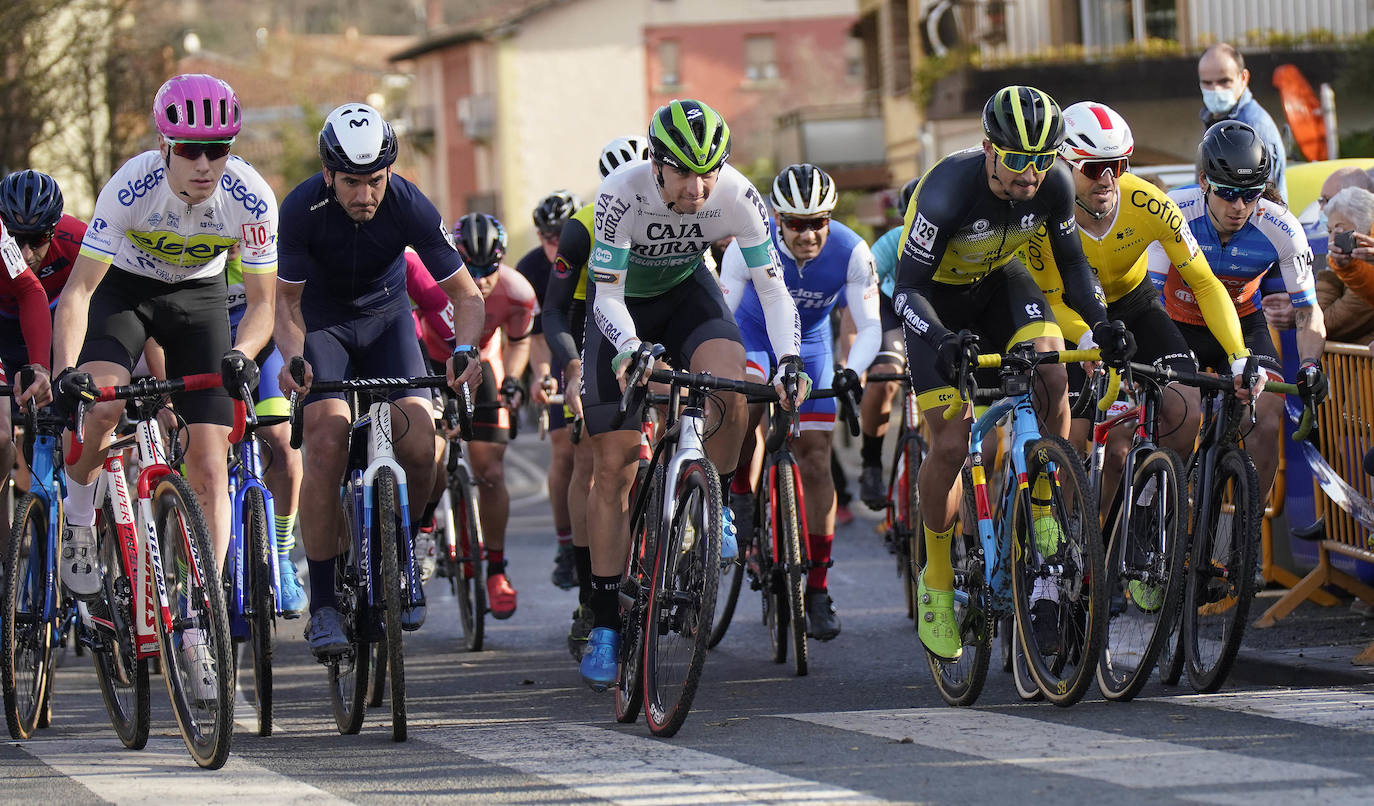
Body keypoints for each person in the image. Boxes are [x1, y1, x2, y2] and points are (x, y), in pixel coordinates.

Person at [891, 85, 1127, 661]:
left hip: (998, 286)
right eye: (1017, 159)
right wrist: (942, 340)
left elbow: (1072, 266)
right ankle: (938, 578)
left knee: (1049, 367)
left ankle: (1042, 502)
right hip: (937, 307)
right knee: (948, 443)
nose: (1029, 174)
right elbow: (907, 290)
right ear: (989, 148)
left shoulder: (1053, 184)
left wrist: (1101, 323)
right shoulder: (947, 192)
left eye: (1042, 160)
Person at [577, 99, 804, 690]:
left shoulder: (737, 195)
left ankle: (716, 499)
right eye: (682, 171)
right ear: (656, 162)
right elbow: (605, 297)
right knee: (614, 467)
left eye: (709, 170)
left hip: (686, 296)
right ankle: (604, 621)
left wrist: (789, 361)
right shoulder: (620, 193)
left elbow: (773, 291)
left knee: (732, 385)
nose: (697, 186)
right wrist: (628, 348)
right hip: (622, 312)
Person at [54, 74, 276, 603]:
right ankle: (80, 521)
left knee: (209, 457)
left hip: (199, 299)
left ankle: (205, 607)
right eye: (190, 150)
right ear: (164, 146)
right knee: (102, 409)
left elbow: (264, 304)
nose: (205, 165)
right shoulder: (131, 187)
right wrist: (66, 371)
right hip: (125, 292)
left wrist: (243, 355)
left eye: (218, 149)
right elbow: (79, 293)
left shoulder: (252, 198)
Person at [274, 102, 483, 658]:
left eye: (375, 181)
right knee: (324, 440)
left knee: (421, 442)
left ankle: (404, 548)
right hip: (323, 326)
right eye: (351, 183)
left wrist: (464, 349)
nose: (365, 195)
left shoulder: (409, 201)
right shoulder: (300, 209)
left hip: (388, 323)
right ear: (328, 174)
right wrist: (296, 360)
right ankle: (322, 604)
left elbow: (465, 294)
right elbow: (287, 304)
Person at [1026, 101, 1250, 517]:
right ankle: (1064, 538)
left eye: (1119, 164)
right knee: (1073, 439)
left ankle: (1145, 522)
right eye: (1094, 168)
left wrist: (1239, 357)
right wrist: (1089, 335)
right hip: (1070, 316)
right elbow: (1051, 300)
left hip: (1134, 305)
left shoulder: (1148, 202)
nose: (1109, 178)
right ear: (1063, 163)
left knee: (1186, 409)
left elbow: (1203, 282)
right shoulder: (1038, 215)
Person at [721, 163, 881, 641]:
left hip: (811, 347)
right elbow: (724, 314)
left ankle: (817, 587)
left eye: (818, 221)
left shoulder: (852, 250)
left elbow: (869, 324)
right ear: (776, 218)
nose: (808, 233)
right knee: (744, 409)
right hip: (751, 337)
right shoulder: (747, 243)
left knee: (815, 459)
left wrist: (854, 370)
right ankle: (742, 497)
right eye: (795, 223)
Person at [1146, 120, 1327, 510]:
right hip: (1177, 323)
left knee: (1265, 419)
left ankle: (1246, 543)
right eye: (1228, 194)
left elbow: (1308, 311)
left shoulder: (1281, 227)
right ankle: (1160, 517)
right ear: (1204, 182)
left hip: (1243, 324)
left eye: (1250, 195)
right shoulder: (1175, 211)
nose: (1239, 207)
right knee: (1182, 413)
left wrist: (1310, 363)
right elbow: (1150, 296)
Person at [541, 137, 649, 660]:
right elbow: (557, 312)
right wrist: (571, 366)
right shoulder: (583, 226)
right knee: (590, 457)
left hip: (650, 319)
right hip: (592, 327)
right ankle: (592, 594)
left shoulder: (672, 215)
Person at [443, 212, 537, 620]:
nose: (480, 281)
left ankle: (496, 568)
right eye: (470, 269)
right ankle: (428, 527)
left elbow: (518, 343)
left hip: (481, 364)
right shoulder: (430, 281)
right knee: (426, 452)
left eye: (489, 270)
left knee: (491, 472)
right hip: (429, 358)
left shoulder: (518, 292)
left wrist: (514, 380)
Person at [0, 170, 75, 531]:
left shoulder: (78, 239)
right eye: (15, 238)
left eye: (39, 238)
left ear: (56, 229)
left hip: (54, 329)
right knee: (3, 441)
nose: (26, 252)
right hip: (5, 335)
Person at [515, 190, 582, 590]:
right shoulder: (530, 268)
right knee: (563, 449)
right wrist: (543, 375)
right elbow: (536, 337)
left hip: (598, 341)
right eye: (545, 236)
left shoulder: (592, 249)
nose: (552, 244)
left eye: (560, 235)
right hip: (558, 350)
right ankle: (565, 544)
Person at [858, 177, 918, 508]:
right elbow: (862, 290)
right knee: (884, 378)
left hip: (934, 312)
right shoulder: (891, 242)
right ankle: (871, 462)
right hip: (891, 309)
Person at [1198, 43, 1286, 202]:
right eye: (1207, 83)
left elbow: (1261, 199)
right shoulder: (1214, 118)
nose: (1215, 89)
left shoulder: (1254, 128)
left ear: (1243, 78)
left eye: (1224, 81)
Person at [1321, 186, 1374, 344]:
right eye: (1329, 231)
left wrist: (1331, 271)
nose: (1332, 241)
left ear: (1365, 229)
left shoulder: (1364, 263)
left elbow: (1326, 324)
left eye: (1340, 231)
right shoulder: (1347, 265)